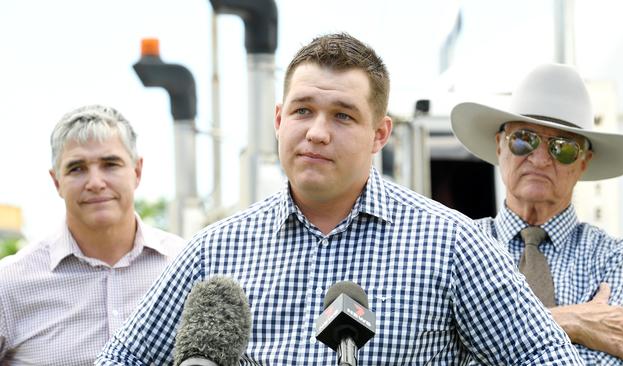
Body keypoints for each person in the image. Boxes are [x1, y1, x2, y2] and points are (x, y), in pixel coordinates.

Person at [96, 33, 583, 365]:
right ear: (278, 120)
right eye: (303, 110)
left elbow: (545, 356)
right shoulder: (212, 252)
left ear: (380, 134)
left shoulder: (452, 245)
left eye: (344, 116)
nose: (318, 133)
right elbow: (124, 359)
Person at [451, 63, 623, 365]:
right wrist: (574, 320)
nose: (541, 159)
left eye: (563, 148)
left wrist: (483, 335)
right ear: (499, 146)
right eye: (524, 139)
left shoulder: (620, 259)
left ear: (584, 162)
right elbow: (441, 349)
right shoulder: (456, 246)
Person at [0, 105, 185, 365]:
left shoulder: (185, 267)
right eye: (77, 168)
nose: (95, 182)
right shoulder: (9, 285)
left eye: (110, 164)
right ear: (56, 182)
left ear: (137, 171)